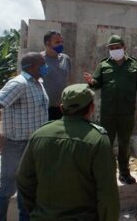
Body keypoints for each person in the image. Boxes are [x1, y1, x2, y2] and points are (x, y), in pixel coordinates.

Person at [16, 84, 120, 220]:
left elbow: (23, 179)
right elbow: (107, 193)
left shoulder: (39, 134)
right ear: (92, 108)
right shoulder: (98, 140)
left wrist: (37, 210)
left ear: (61, 108)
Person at [0, 52, 49, 221]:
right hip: (17, 146)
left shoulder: (37, 82)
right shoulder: (19, 84)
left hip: (32, 145)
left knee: (26, 188)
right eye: (43, 64)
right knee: (7, 189)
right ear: (33, 66)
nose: (46, 67)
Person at [83, 34, 137, 184]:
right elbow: (97, 83)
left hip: (127, 111)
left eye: (117, 47)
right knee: (106, 144)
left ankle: (124, 173)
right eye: (111, 48)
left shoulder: (134, 64)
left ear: (124, 47)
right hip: (108, 112)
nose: (114, 50)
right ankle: (106, 174)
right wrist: (91, 81)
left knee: (125, 144)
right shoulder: (103, 65)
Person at [41, 30, 71, 120]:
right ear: (48, 44)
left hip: (61, 108)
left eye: (62, 42)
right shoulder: (40, 61)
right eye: (57, 42)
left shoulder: (66, 59)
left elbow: (68, 79)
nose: (61, 45)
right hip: (44, 109)